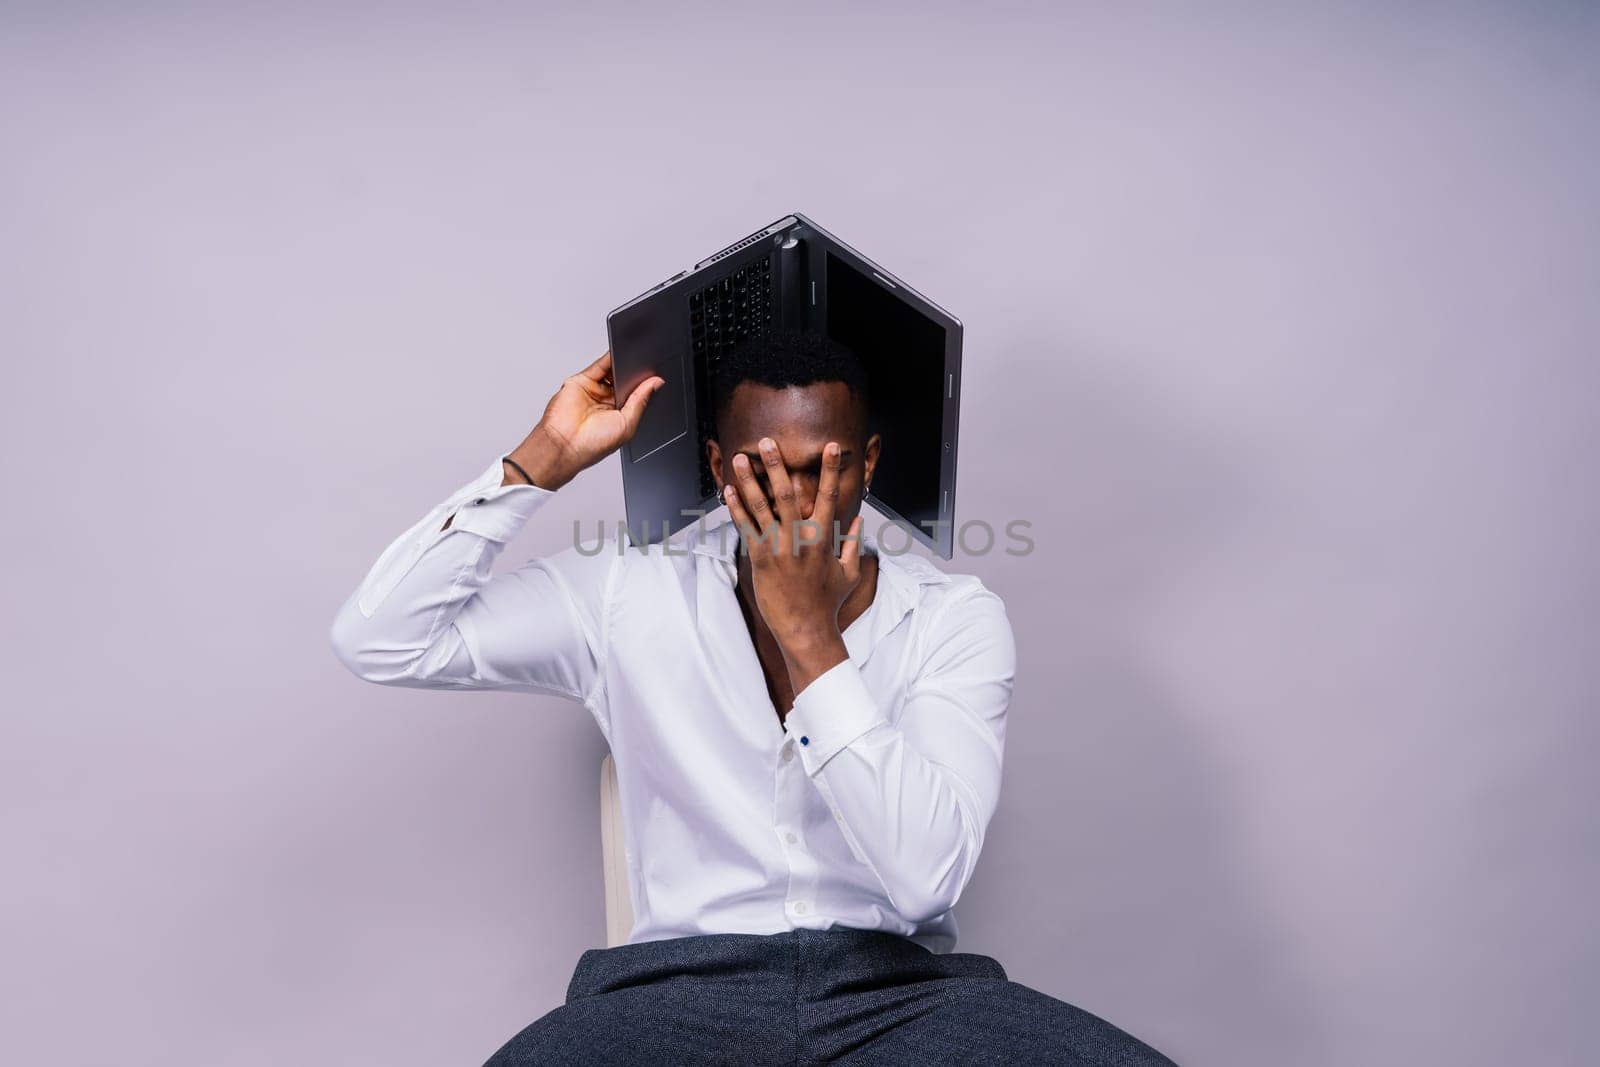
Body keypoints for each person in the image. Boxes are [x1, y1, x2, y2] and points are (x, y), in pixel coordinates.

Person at [330, 332, 1176, 1065]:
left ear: (869, 463)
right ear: (714, 467)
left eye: (821, 469)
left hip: (899, 997)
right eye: (759, 473)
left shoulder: (952, 618)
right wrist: (541, 460)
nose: (795, 505)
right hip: (674, 997)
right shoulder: (629, 592)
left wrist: (811, 640)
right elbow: (381, 635)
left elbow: (924, 883)